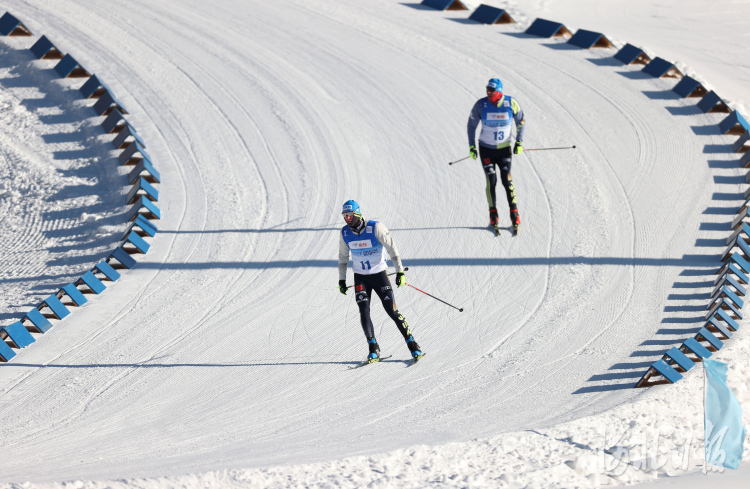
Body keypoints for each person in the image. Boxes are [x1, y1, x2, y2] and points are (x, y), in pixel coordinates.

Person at [337, 200, 423, 363]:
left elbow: (392, 249)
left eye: (349, 215)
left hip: (379, 276)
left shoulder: (375, 227)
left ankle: (412, 345)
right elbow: (342, 257)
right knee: (364, 311)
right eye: (344, 215)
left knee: (392, 311)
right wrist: (342, 280)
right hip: (360, 278)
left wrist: (399, 271)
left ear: (357, 213)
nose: (346, 219)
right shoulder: (345, 233)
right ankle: (373, 347)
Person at [467, 78, 526, 234]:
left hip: (504, 149)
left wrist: (519, 142)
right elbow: (471, 125)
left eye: (492, 90)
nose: (488, 92)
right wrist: (471, 146)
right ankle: (493, 214)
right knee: (491, 180)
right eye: (487, 89)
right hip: (486, 149)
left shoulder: (511, 103)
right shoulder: (481, 104)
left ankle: (514, 213)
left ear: (499, 91)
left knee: (506, 179)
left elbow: (521, 121)